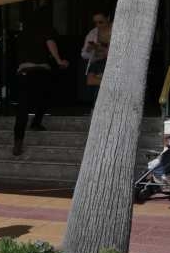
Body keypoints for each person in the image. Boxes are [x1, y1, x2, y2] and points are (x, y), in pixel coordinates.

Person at [12, 14, 70, 156]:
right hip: (40, 70)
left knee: (23, 108)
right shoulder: (45, 30)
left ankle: (18, 143)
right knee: (45, 96)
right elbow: (50, 43)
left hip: (24, 71)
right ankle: (36, 122)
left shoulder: (21, 34)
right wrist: (59, 61)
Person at [80, 11, 113, 103]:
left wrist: (103, 50)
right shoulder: (93, 33)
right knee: (92, 81)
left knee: (96, 82)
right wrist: (89, 50)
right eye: (95, 23)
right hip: (98, 63)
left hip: (113, 63)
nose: (98, 25)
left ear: (108, 18)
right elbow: (84, 54)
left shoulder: (117, 30)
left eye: (101, 22)